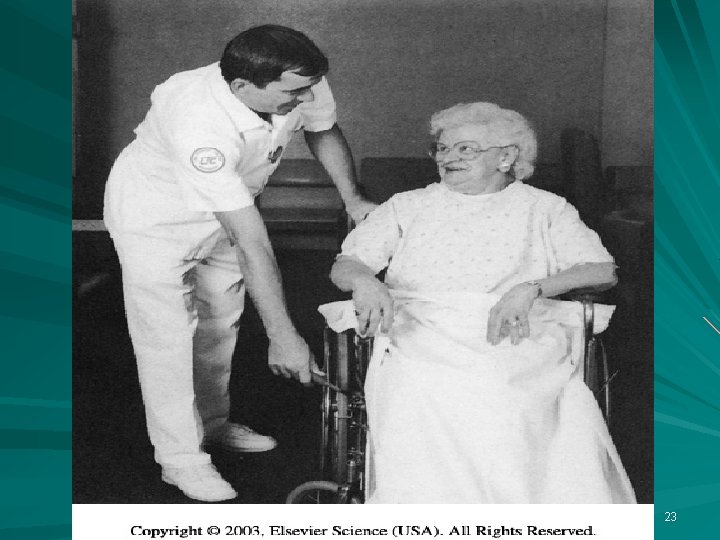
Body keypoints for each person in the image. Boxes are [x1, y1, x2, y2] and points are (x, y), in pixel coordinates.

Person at [103, 24, 376, 502]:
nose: (306, 97)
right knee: (167, 337)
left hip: (232, 204)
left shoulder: (295, 77)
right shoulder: (198, 122)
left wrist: (352, 199)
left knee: (220, 322)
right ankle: (181, 460)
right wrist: (284, 337)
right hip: (157, 219)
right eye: (293, 93)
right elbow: (253, 243)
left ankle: (212, 424)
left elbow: (323, 128)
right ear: (242, 87)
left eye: (309, 87)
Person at [329, 102, 636, 503]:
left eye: (465, 149)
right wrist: (364, 281)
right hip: (420, 327)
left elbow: (602, 270)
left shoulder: (546, 208)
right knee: (421, 387)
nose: (448, 158)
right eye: (442, 149)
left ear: (506, 157)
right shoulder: (407, 205)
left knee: (501, 388)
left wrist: (532, 288)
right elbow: (347, 263)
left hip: (516, 328)